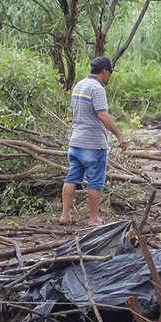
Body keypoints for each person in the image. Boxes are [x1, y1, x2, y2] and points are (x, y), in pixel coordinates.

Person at [60, 56, 129, 226]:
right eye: (109, 73)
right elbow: (102, 115)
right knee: (95, 182)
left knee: (72, 178)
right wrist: (119, 135)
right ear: (104, 72)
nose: (109, 77)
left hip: (76, 141)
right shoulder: (97, 89)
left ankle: (65, 215)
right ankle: (94, 218)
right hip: (93, 144)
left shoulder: (79, 85)